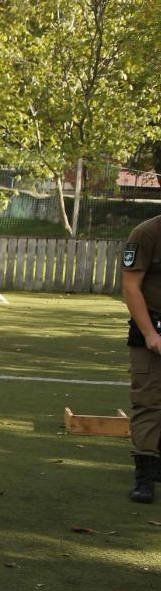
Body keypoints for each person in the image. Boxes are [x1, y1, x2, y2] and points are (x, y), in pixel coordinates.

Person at [121, 213, 161, 501]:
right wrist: (150, 333)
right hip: (152, 331)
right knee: (148, 403)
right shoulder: (146, 233)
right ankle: (145, 477)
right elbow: (131, 285)